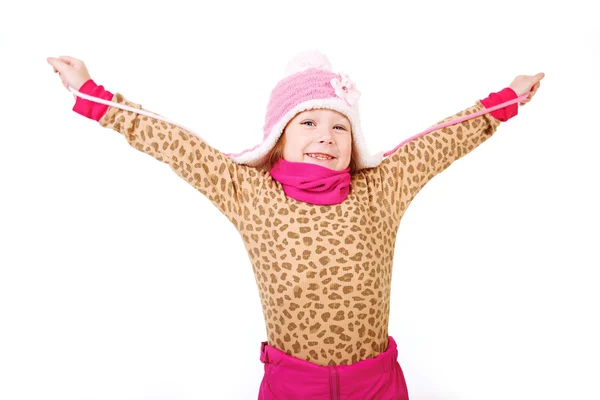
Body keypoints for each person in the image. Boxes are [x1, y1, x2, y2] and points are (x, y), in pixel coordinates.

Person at [47, 51, 544, 400]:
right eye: (307, 123)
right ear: (278, 138)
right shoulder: (250, 191)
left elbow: (442, 141)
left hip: (377, 386)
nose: (325, 137)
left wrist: (507, 99)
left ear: (355, 140)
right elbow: (173, 141)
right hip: (289, 387)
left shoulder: (382, 188)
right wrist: (92, 93)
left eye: (339, 126)